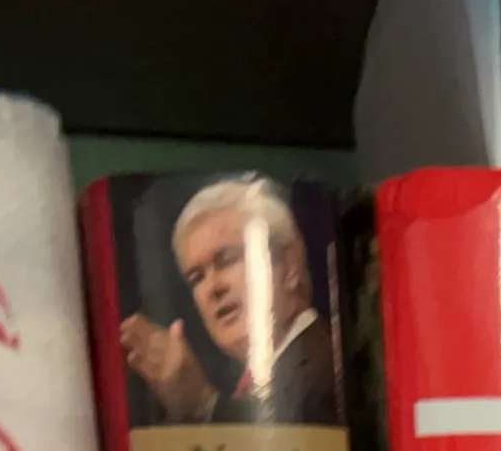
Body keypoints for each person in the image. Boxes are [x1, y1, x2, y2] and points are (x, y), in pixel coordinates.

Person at [120, 176, 339, 426]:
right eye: (197, 277)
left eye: (227, 260)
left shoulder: (325, 369)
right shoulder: (257, 383)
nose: (213, 288)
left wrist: (204, 404)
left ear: (289, 266)